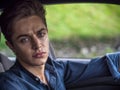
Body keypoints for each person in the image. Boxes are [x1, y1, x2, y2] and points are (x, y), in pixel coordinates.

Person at [0, 0, 120, 90]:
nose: (37, 45)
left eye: (41, 34)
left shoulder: (54, 70)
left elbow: (104, 64)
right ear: (11, 46)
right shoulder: (9, 84)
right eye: (24, 40)